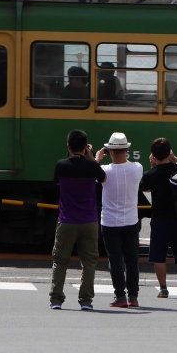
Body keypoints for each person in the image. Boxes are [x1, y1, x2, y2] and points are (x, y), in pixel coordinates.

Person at [49, 129, 106, 310]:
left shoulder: (61, 165)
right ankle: (86, 301)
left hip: (66, 220)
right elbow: (103, 178)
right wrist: (92, 157)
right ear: (85, 147)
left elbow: (57, 182)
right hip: (89, 221)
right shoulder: (92, 167)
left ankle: (56, 300)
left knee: (60, 261)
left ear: (68, 147)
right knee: (89, 262)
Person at [141, 137, 177, 300]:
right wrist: (174, 158)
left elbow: (147, 189)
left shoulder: (150, 175)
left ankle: (163, 289)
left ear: (153, 155)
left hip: (159, 219)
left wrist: (153, 166)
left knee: (159, 256)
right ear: (169, 152)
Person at [95, 132, 144, 308]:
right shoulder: (137, 168)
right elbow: (131, 167)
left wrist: (96, 159)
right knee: (132, 259)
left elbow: (94, 173)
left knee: (115, 259)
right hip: (131, 221)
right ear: (127, 149)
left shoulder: (105, 171)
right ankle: (133, 297)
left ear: (109, 151)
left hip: (109, 222)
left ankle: (120, 296)